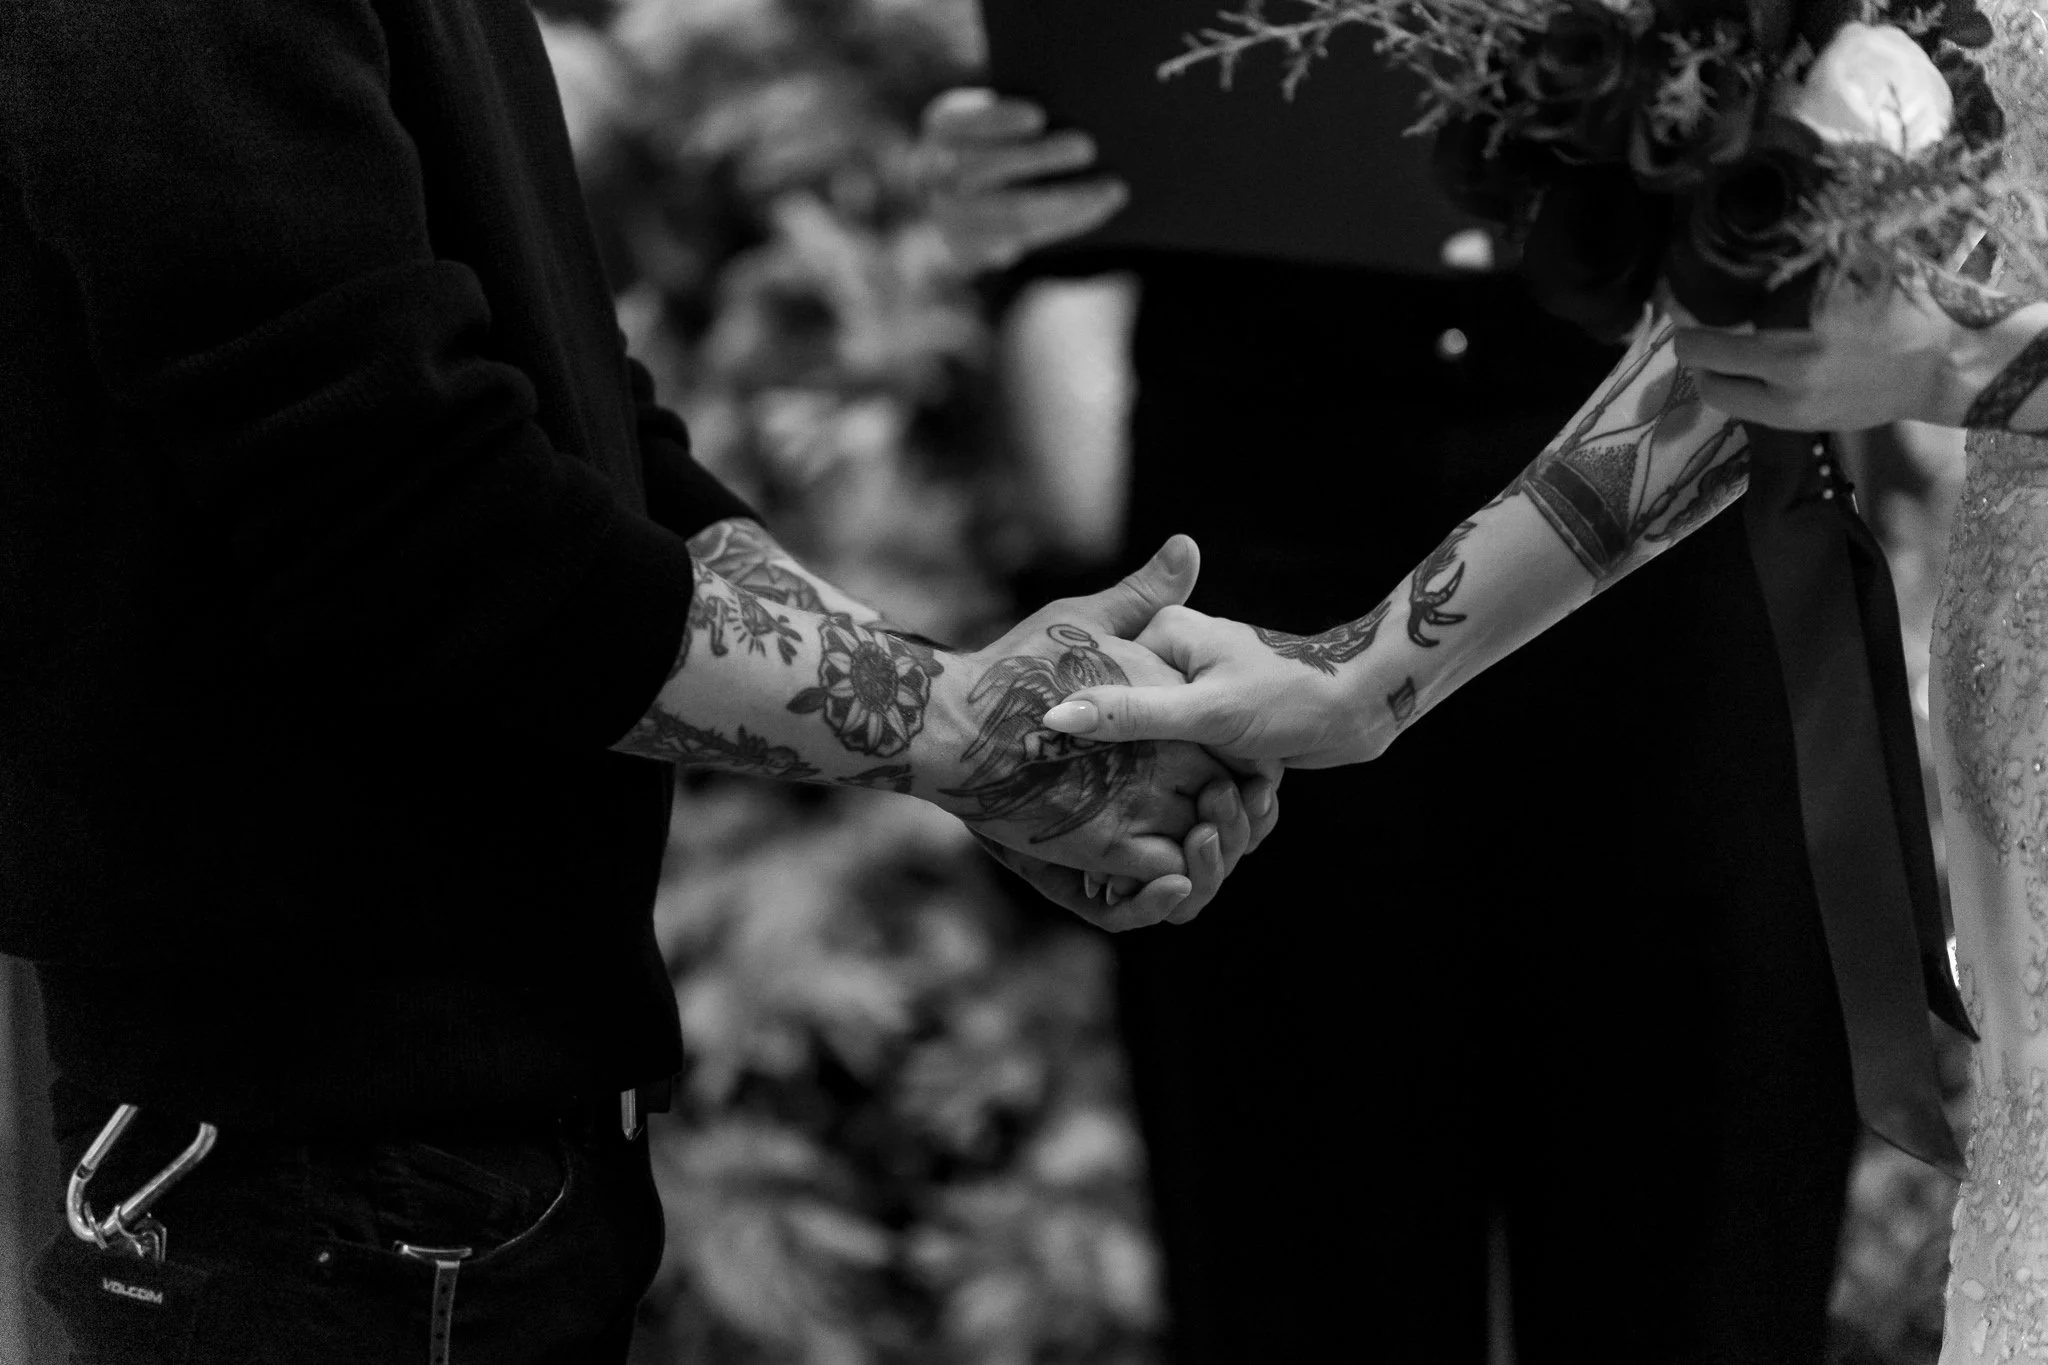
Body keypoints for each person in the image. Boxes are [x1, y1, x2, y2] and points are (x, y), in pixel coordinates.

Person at [0, 3, 1280, 1361]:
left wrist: (951, 702)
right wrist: (958, 728)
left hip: (464, 1131)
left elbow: (581, 417)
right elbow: (413, 524)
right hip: (325, 1147)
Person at [916, 18, 1892, 1363]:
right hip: (1266, 500)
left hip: (1694, 567)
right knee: (1298, 1261)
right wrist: (1008, 192)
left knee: (1703, 1238)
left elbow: (1867, 201)